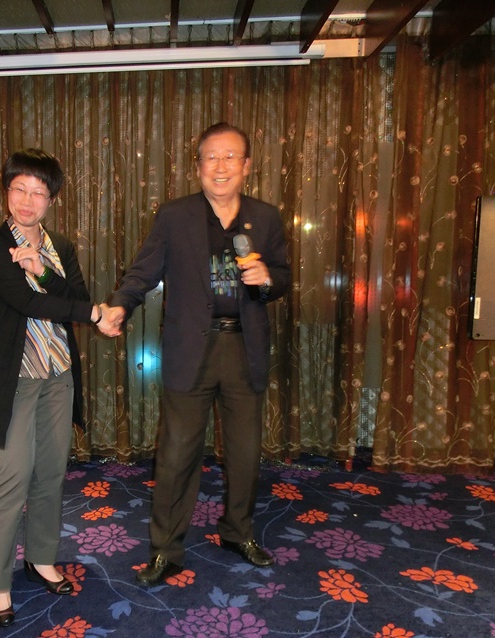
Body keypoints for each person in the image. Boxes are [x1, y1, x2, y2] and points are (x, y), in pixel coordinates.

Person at [100, 122, 290, 585]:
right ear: (198, 165)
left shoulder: (265, 217)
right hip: (192, 349)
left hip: (244, 347)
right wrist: (121, 304)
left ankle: (238, 531)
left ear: (247, 165)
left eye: (230, 156)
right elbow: (143, 271)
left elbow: (283, 275)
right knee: (176, 454)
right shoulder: (175, 215)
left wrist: (267, 278)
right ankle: (166, 549)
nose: (220, 166)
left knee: (245, 453)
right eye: (211, 157)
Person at [0, 148, 113, 627]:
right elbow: (29, 304)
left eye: (38, 192)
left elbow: (73, 294)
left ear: (51, 198)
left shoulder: (61, 246)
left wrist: (44, 270)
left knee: (51, 472)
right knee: (12, 477)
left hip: (57, 374)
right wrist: (93, 313)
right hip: (12, 379)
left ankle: (41, 558)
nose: (27, 201)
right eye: (19, 189)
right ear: (6, 191)